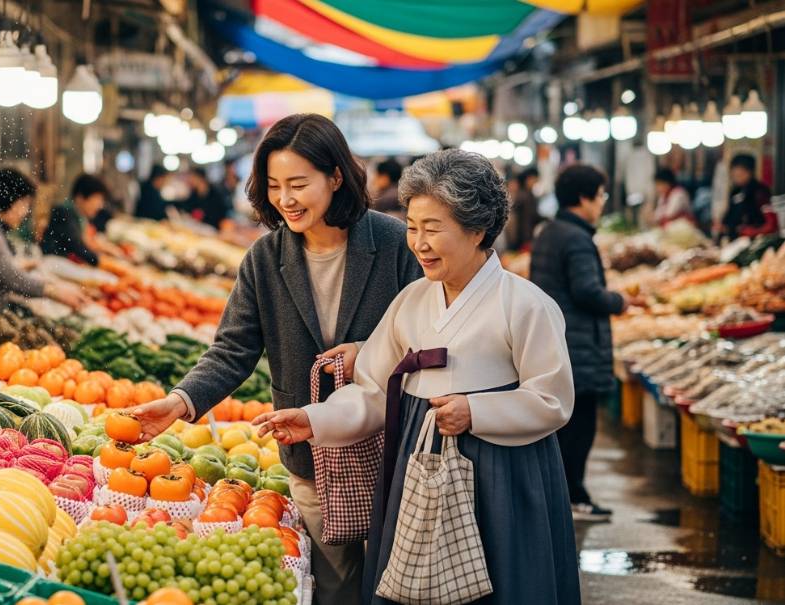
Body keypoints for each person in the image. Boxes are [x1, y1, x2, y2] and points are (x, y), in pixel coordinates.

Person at [253, 149, 579, 605]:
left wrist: (477, 411)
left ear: (477, 229)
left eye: (432, 229)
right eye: (411, 228)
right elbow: (371, 389)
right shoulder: (411, 302)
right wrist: (316, 420)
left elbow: (553, 400)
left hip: (502, 473)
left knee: (505, 583)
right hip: (416, 459)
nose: (418, 243)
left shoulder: (525, 305)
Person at [130, 114, 422, 605]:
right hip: (310, 452)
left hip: (392, 448)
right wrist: (181, 402)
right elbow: (233, 349)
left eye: (298, 184)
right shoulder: (265, 259)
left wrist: (369, 355)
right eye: (274, 185)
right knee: (336, 588)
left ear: (335, 177)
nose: (286, 198)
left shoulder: (392, 243)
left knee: (400, 585)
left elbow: (430, 330)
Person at [530, 164, 628, 522]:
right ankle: (574, 495)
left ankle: (564, 493)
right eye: (600, 196)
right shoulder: (576, 238)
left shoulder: (549, 232)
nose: (601, 203)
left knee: (564, 426)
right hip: (578, 344)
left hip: (558, 338)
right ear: (584, 198)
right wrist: (618, 300)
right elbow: (586, 291)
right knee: (579, 424)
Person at [0, 169, 88, 316]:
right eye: (24, 204)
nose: (25, 212)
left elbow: (1, 269)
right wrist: (54, 291)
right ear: (8, 199)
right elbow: (11, 277)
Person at [42, 174, 113, 266]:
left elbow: (88, 242)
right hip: (54, 263)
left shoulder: (80, 217)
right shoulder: (64, 212)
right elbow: (77, 246)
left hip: (65, 263)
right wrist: (104, 262)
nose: (100, 205)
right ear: (80, 197)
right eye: (97, 199)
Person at [719, 154, 777, 240]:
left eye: (739, 174)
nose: (735, 178)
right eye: (733, 175)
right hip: (735, 241)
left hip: (756, 241)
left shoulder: (760, 191)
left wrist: (754, 231)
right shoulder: (735, 191)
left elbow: (771, 224)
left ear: (749, 172)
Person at [506, 168, 540, 250]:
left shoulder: (524, 194)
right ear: (528, 179)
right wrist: (526, 239)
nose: (535, 182)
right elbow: (525, 220)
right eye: (534, 179)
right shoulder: (525, 196)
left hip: (519, 237)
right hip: (522, 238)